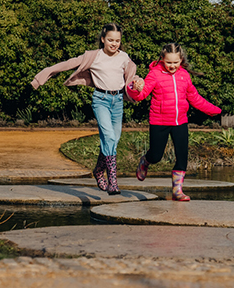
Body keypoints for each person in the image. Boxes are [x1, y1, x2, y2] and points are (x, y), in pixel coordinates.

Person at [31, 23, 141, 195]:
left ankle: (98, 171)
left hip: (117, 101)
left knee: (113, 140)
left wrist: (137, 82)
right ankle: (113, 181)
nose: (114, 43)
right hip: (101, 101)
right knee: (110, 137)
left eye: (117, 41)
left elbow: (131, 76)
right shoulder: (93, 56)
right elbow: (67, 64)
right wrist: (43, 75)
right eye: (110, 40)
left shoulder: (124, 57)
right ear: (103, 39)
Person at [126, 44, 222, 201]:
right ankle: (145, 160)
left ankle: (178, 191)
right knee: (156, 156)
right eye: (169, 62)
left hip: (180, 122)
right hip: (159, 121)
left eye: (175, 62)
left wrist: (214, 111)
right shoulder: (154, 74)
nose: (172, 66)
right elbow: (141, 95)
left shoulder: (184, 75)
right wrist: (134, 88)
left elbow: (194, 98)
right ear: (162, 59)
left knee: (182, 156)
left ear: (181, 60)